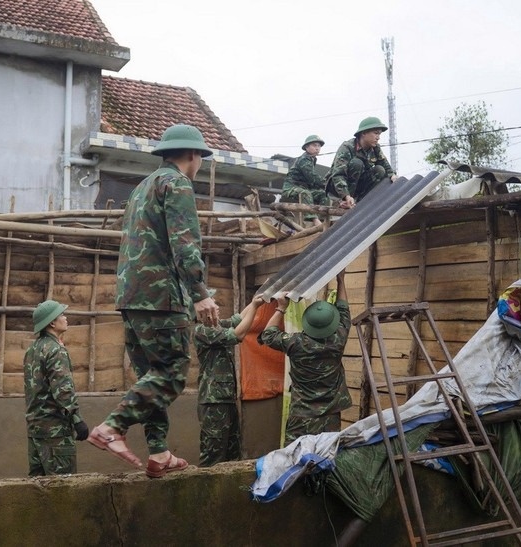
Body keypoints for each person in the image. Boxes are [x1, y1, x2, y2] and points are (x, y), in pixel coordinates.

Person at [89, 123, 220, 479]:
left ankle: (159, 453)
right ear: (194, 156)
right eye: (201, 158)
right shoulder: (177, 184)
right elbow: (184, 244)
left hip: (131, 297)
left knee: (151, 376)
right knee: (171, 373)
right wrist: (201, 295)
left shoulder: (141, 188)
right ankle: (111, 427)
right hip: (161, 296)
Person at [258, 271, 352, 445]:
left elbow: (268, 335)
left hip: (302, 416)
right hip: (330, 415)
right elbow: (344, 310)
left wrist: (281, 307)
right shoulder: (339, 338)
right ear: (332, 323)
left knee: (293, 458)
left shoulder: (296, 343)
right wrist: (341, 280)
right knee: (326, 457)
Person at [195, 295, 264, 467]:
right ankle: (206, 488)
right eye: (213, 307)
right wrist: (255, 307)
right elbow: (238, 335)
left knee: (232, 448)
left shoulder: (217, 326)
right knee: (214, 452)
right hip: (213, 401)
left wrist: (255, 301)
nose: (217, 307)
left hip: (224, 398)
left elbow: (238, 318)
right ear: (203, 314)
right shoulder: (203, 331)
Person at [24, 299, 88, 476]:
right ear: (52, 322)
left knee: (37, 488)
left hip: (35, 430)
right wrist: (77, 420)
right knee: (62, 488)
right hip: (55, 432)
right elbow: (63, 390)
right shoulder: (56, 350)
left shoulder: (33, 349)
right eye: (62, 315)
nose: (66, 318)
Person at [326, 117, 397, 209]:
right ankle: (344, 202)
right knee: (357, 163)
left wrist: (393, 176)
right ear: (363, 133)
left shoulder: (375, 148)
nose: (378, 138)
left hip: (358, 186)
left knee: (379, 170)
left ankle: (363, 202)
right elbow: (338, 174)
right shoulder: (347, 147)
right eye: (375, 133)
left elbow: (385, 165)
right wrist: (346, 196)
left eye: (379, 134)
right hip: (338, 189)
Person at [281, 135, 331, 227]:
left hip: (303, 187)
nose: (317, 148)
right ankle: (315, 220)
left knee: (323, 194)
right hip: (291, 188)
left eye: (319, 146)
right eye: (314, 145)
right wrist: (328, 183)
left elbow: (312, 182)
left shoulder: (312, 159)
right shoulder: (304, 159)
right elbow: (312, 178)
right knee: (306, 193)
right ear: (307, 147)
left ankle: (323, 219)